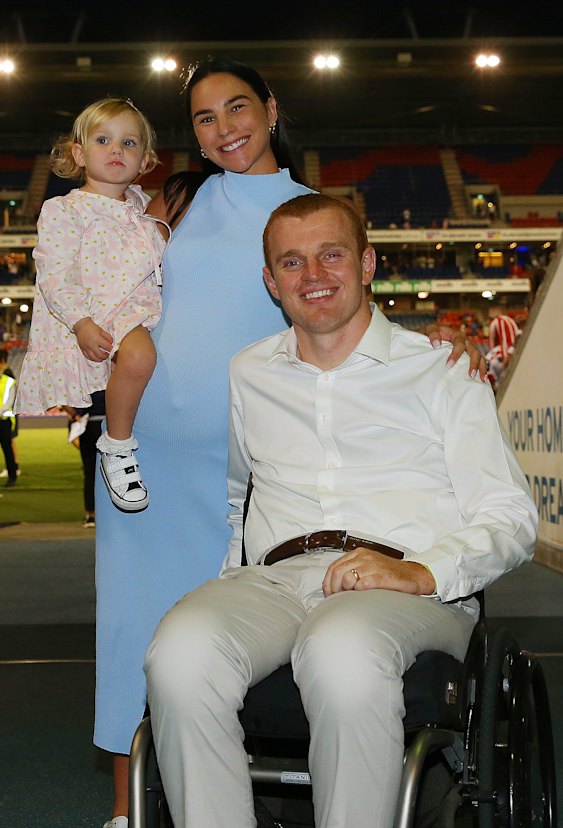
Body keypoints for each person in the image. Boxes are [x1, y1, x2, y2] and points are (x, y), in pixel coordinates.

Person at [92, 59, 486, 828]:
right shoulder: (174, 199)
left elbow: (341, 305)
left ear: (271, 110)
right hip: (155, 458)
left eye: (237, 108)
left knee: (248, 638)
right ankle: (126, 811)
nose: (224, 128)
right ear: (192, 134)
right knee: (137, 631)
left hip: (262, 460)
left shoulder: (310, 209)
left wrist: (436, 336)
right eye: (204, 118)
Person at [145, 194, 538, 828]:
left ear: (367, 263)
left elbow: (512, 517)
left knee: (342, 646)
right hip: (276, 578)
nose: (314, 276)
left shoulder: (439, 369)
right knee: (179, 651)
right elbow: (239, 492)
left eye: (332, 255)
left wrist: (423, 571)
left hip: (409, 586)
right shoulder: (249, 372)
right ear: (271, 282)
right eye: (292, 263)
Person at [15, 98, 167, 513]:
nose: (117, 150)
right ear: (79, 154)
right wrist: (81, 322)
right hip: (100, 314)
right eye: (104, 140)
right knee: (137, 360)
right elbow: (54, 272)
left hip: (146, 310)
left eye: (129, 142)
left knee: (150, 372)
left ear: (146, 159)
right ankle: (116, 448)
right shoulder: (65, 209)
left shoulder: (144, 206)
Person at [62, 390, 106, 527]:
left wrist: (74, 415)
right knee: (112, 471)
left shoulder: (82, 379)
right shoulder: (109, 375)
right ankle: (112, 514)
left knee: (90, 473)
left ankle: (91, 515)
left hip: (88, 425)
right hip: (108, 425)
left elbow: (64, 400)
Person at [0, 348, 18, 487]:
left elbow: (9, 401)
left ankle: (12, 475)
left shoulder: (9, 381)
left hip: (4, 421)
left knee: (7, 449)